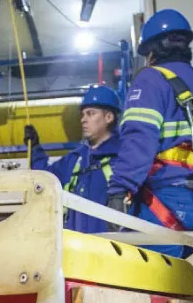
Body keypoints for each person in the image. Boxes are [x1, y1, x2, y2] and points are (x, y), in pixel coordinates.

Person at [107, 9, 193, 256]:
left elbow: (138, 140)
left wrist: (120, 190)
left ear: (151, 52)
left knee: (157, 286)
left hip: (166, 203)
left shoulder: (150, 81)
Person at [25, 85, 121, 233]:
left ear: (109, 117)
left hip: (110, 250)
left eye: (91, 114)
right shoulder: (77, 158)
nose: (83, 120)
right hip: (77, 250)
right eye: (82, 115)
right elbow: (45, 179)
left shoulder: (124, 159)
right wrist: (36, 148)